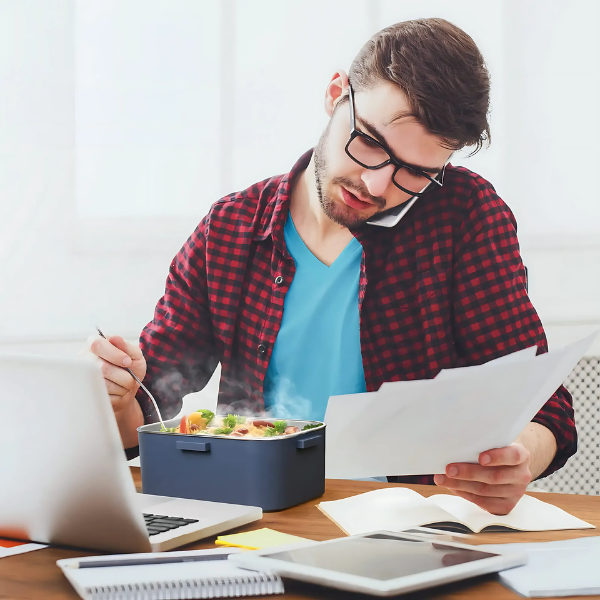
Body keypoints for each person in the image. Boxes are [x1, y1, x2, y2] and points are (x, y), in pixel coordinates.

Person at [91, 18, 576, 516]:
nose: (376, 185)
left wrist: (519, 458)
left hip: (412, 526)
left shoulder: (465, 216)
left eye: (414, 173)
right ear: (335, 93)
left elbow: (542, 403)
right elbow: (147, 408)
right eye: (369, 141)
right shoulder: (232, 228)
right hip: (257, 516)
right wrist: (118, 394)